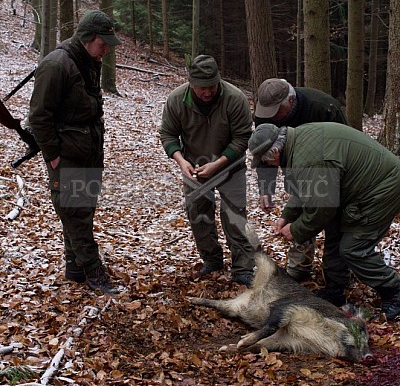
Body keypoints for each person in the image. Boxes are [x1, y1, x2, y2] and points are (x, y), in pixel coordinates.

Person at [249, 122, 400, 320]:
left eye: (267, 161)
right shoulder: (298, 143)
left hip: (381, 187)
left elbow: (322, 209)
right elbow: (309, 189)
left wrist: (296, 230)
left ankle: (394, 291)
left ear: (275, 151)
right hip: (357, 188)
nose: (269, 166)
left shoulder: (309, 160)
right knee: (334, 234)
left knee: (353, 248)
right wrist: (287, 216)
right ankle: (335, 290)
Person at [29, 10, 121, 295]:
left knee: (83, 208)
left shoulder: (88, 61)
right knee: (74, 212)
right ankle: (94, 271)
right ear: (86, 39)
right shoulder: (57, 65)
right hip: (67, 154)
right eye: (102, 43)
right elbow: (39, 116)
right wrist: (53, 155)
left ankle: (74, 266)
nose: (106, 49)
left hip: (88, 150)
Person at [159, 54, 255, 287]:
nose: (207, 92)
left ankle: (242, 267)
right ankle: (211, 259)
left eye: (212, 86)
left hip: (230, 165)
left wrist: (220, 163)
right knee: (198, 214)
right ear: (191, 83)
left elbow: (243, 137)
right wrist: (181, 161)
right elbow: (168, 135)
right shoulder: (176, 100)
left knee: (235, 216)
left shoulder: (234, 98)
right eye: (202, 88)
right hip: (194, 167)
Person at [253, 78, 348, 282]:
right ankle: (299, 267)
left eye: (277, 111)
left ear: (290, 99)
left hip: (329, 169)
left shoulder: (323, 108)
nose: (273, 117)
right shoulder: (265, 112)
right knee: (297, 212)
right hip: (292, 169)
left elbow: (345, 143)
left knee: (331, 216)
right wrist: (266, 189)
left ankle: (337, 273)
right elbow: (262, 150)